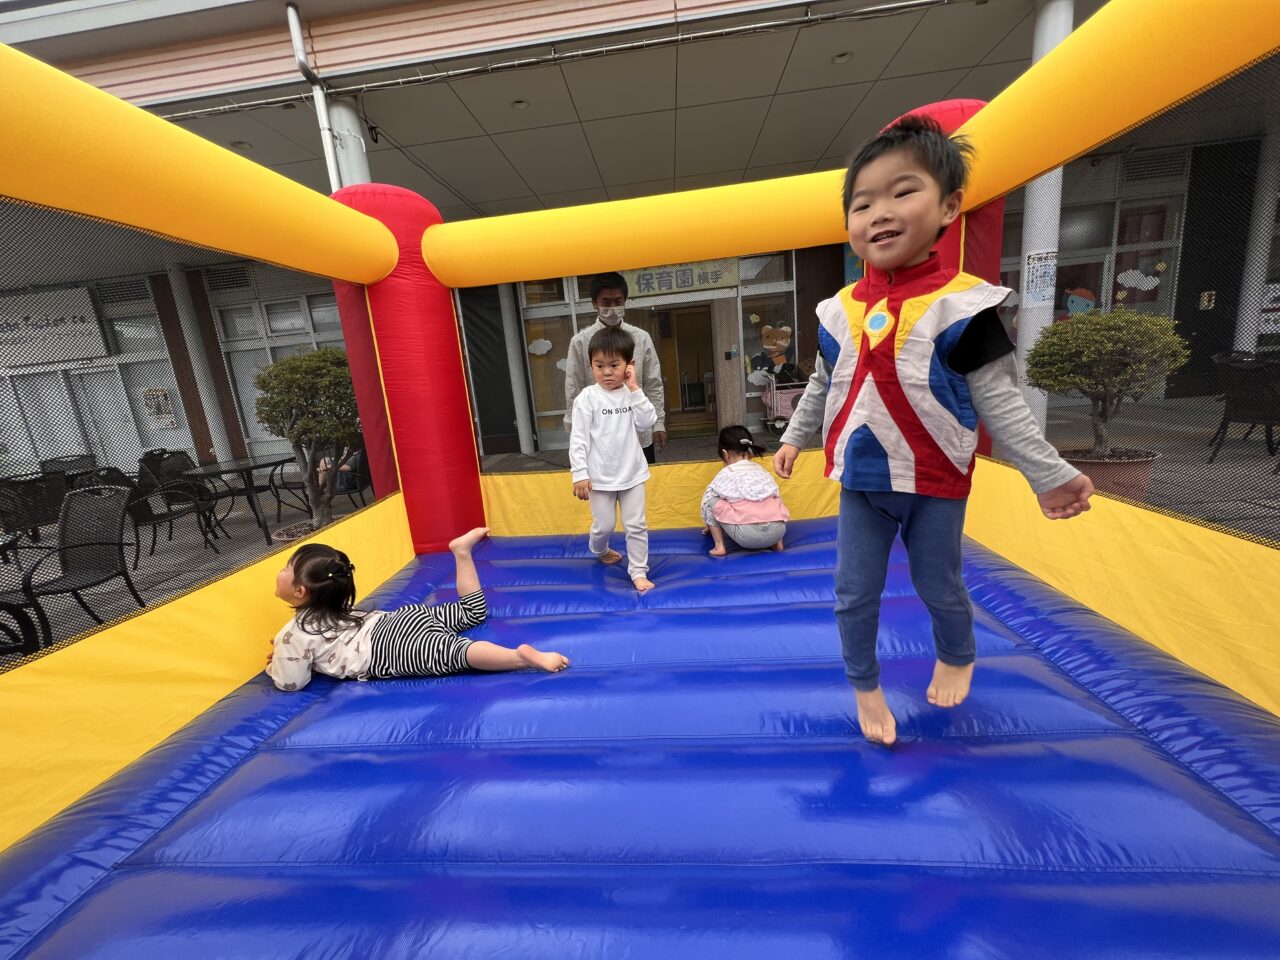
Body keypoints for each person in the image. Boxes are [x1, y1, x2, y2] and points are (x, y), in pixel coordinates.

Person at [772, 115, 1095, 746]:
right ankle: (865, 686)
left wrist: (1047, 473)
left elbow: (1001, 401)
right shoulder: (837, 311)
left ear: (949, 207)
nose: (881, 213)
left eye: (903, 192)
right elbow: (822, 381)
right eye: (863, 203)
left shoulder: (964, 307)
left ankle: (956, 652)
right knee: (852, 593)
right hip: (864, 480)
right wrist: (793, 436)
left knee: (938, 584)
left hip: (934, 481)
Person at [265, 528, 568, 691]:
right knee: (471, 612)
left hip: (386, 649)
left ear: (300, 591)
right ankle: (462, 553)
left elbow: (291, 682)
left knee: (455, 652)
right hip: (402, 618)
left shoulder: (292, 635)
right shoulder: (337, 607)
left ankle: (518, 657)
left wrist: (278, 662)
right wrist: (292, 652)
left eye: (284, 569)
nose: (280, 572)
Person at [569, 326, 657, 592]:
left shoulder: (632, 394)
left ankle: (638, 571)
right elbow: (579, 438)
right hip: (600, 478)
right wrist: (580, 474)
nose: (606, 372)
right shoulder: (587, 398)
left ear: (629, 365)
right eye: (599, 366)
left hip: (632, 474)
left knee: (636, 525)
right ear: (591, 365)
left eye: (614, 365)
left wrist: (635, 387)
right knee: (604, 526)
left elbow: (647, 422)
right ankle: (599, 549)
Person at [564, 272, 666, 462]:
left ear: (625, 301)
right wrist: (574, 433)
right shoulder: (580, 342)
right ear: (594, 303)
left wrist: (658, 423)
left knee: (643, 480)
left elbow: (653, 383)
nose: (612, 307)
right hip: (599, 438)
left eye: (617, 301)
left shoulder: (641, 338)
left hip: (637, 434)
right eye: (606, 302)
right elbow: (573, 389)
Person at [700, 425, 789, 556]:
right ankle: (777, 542)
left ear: (725, 454)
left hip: (748, 537)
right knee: (773, 496)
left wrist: (709, 524)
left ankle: (719, 546)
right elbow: (776, 495)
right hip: (778, 531)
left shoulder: (726, 473)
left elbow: (707, 502)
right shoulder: (761, 470)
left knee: (711, 499)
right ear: (750, 452)